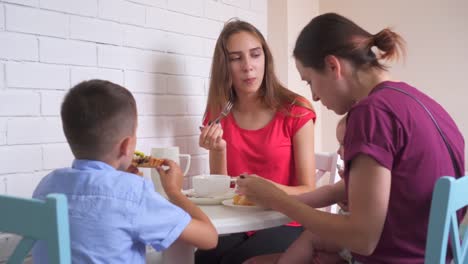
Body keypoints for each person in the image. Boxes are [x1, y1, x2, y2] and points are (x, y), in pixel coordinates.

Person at [237, 12, 465, 264]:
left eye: (311, 81)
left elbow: (362, 238)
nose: (313, 96)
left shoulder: (371, 113)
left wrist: (278, 200)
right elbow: (369, 192)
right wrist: (276, 196)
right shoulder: (421, 102)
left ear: (333, 66)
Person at [32, 80, 218, 263]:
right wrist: (174, 192)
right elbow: (209, 238)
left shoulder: (47, 185)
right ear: (126, 146)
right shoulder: (133, 194)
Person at [196, 19, 317, 264]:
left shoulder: (296, 110)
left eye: (255, 55)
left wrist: (265, 190)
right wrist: (219, 150)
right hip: (238, 220)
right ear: (225, 66)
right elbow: (221, 191)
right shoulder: (219, 112)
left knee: (236, 260)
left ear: (266, 59)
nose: (248, 66)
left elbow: (309, 190)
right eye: (236, 58)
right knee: (205, 256)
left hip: (287, 220)